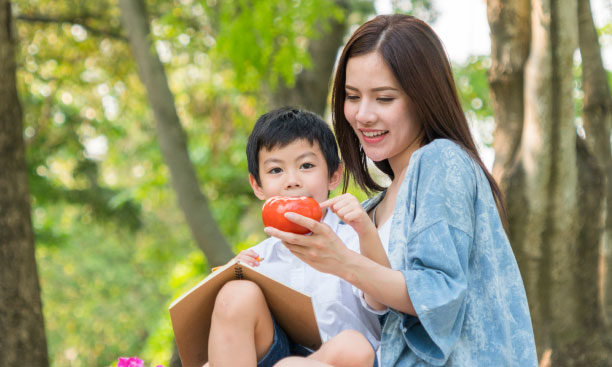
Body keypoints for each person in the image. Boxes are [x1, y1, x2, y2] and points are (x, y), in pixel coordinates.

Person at [266, 15, 538, 367]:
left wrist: (343, 262)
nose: (363, 115)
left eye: (384, 98)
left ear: (422, 99)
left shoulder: (441, 161)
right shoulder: (372, 207)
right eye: (352, 96)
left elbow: (439, 296)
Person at [206, 106, 380, 367]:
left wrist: (364, 232)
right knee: (235, 294)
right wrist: (228, 277)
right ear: (257, 186)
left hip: (344, 360)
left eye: (306, 165)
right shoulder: (257, 260)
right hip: (278, 355)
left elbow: (381, 303)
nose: (292, 181)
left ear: (334, 176)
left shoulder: (355, 239)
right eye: (276, 170)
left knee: (352, 345)